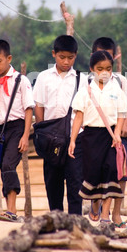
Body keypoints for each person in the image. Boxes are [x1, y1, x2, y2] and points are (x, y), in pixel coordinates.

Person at [68, 50, 127, 225]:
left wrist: (117, 133)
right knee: (93, 174)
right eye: (100, 68)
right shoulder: (85, 91)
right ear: (92, 69)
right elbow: (78, 117)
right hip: (90, 137)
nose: (104, 72)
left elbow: (121, 113)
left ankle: (105, 214)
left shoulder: (116, 89)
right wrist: (72, 140)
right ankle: (95, 205)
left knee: (110, 172)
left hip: (109, 138)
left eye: (108, 69)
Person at [33, 35, 87, 215]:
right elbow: (39, 106)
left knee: (75, 184)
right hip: (50, 141)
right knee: (52, 184)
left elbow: (84, 110)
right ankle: (56, 222)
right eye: (62, 57)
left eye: (70, 58)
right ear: (53, 54)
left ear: (76, 56)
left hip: (75, 140)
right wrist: (41, 132)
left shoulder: (82, 79)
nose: (66, 61)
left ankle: (75, 224)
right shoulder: (43, 78)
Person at [0, 39, 35, 222]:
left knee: (9, 164)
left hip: (17, 127)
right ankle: (8, 209)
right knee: (3, 166)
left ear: (9, 58)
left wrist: (26, 135)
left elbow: (29, 109)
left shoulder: (21, 80)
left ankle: (11, 209)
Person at [92, 37, 127, 227]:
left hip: (118, 133)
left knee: (120, 173)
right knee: (95, 172)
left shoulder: (120, 80)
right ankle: (95, 203)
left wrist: (125, 125)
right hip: (95, 134)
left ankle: (114, 214)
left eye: (108, 58)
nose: (104, 63)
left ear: (114, 57)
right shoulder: (87, 81)